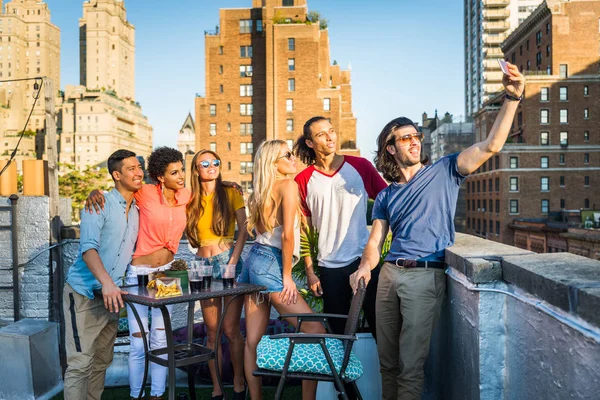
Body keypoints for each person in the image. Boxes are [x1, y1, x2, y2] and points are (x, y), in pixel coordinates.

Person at [350, 62, 524, 400]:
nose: (415, 142)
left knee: (410, 366)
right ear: (390, 148)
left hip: (424, 277)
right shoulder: (386, 194)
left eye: (416, 136)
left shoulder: (446, 170)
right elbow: (375, 242)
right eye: (406, 138)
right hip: (387, 275)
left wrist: (513, 98)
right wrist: (363, 267)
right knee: (387, 364)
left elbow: (491, 146)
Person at [86, 146, 190, 400]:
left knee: (160, 340)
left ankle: (157, 394)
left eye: (182, 170)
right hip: (139, 274)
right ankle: (136, 395)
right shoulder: (144, 192)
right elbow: (118, 193)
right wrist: (93, 192)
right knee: (138, 342)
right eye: (174, 172)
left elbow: (210, 191)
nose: (181, 176)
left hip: (166, 274)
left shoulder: (186, 194)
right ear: (160, 176)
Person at [239, 140, 325, 400]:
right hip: (272, 265)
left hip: (254, 260)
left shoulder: (260, 191)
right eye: (287, 155)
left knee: (252, 340)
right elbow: (287, 235)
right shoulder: (287, 185)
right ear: (272, 163)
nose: (293, 158)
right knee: (315, 330)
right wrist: (287, 276)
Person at [294, 117, 387, 337]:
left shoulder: (360, 166)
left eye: (332, 131)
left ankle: (387, 372)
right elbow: (304, 231)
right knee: (339, 334)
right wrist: (310, 271)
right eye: (321, 134)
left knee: (381, 328)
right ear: (310, 143)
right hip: (329, 268)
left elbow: (387, 202)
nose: (329, 137)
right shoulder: (303, 180)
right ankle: (342, 372)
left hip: (364, 262)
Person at [63, 149, 143, 400]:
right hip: (84, 294)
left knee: (101, 362)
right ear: (117, 175)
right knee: (80, 364)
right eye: (131, 168)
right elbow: (88, 249)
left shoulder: (138, 210)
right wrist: (108, 283)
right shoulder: (98, 204)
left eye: (139, 167)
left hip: (111, 297)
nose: (138, 172)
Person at [185, 149, 248, 400]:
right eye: (205, 163)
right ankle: (216, 388)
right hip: (200, 264)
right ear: (196, 169)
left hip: (227, 260)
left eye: (216, 162)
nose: (211, 166)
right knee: (212, 331)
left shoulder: (231, 192)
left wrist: (232, 261)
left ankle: (239, 383)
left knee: (232, 330)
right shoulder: (189, 198)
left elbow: (244, 228)